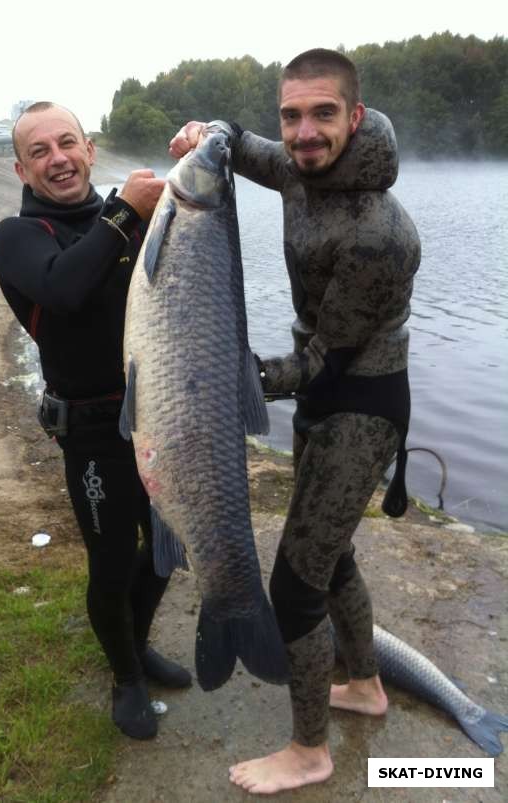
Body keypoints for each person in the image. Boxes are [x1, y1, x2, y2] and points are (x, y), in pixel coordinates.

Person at [169, 49, 420, 792]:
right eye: (292, 114)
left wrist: (222, 376)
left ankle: (310, 749)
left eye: (322, 115)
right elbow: (234, 141)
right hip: (322, 397)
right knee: (332, 554)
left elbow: (323, 363)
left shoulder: (381, 231)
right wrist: (204, 131)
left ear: (357, 114)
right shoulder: (296, 166)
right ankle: (367, 684)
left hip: (361, 404)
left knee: (296, 584)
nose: (303, 133)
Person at [0, 101, 191, 742]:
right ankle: (125, 676)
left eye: (67, 143)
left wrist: (190, 170)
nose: (58, 159)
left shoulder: (130, 218)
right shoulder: (20, 238)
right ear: (22, 168)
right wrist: (125, 209)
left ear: (90, 149)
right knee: (112, 561)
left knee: (164, 553)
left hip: (158, 423)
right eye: (41, 151)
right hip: (94, 433)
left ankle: (137, 643)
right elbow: (64, 289)